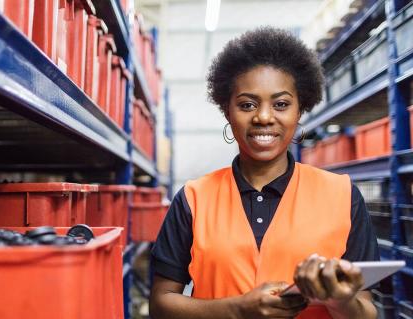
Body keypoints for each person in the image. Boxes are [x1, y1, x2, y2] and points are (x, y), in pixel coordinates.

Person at [149, 27, 379, 319]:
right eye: (247, 105)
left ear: (300, 110)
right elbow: (160, 303)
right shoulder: (194, 198)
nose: (264, 117)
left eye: (281, 104)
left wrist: (339, 300)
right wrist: (237, 309)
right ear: (227, 111)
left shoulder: (343, 196)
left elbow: (367, 312)